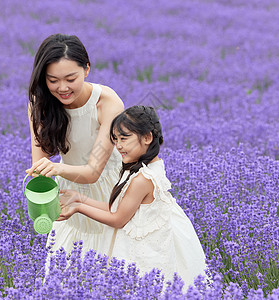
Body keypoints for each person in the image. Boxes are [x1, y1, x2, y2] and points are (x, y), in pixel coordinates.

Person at [58, 105, 208, 286]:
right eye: (115, 140)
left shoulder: (142, 179)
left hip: (146, 248)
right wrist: (80, 198)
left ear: (147, 137)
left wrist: (78, 208)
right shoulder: (147, 168)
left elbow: (118, 219)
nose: (118, 146)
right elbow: (119, 207)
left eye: (124, 138)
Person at [26, 33, 124, 254]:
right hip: (69, 191)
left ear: (87, 70)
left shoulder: (107, 103)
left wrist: (57, 168)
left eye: (71, 79)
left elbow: (93, 172)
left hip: (112, 191)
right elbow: (39, 164)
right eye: (52, 80)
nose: (62, 88)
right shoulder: (39, 103)